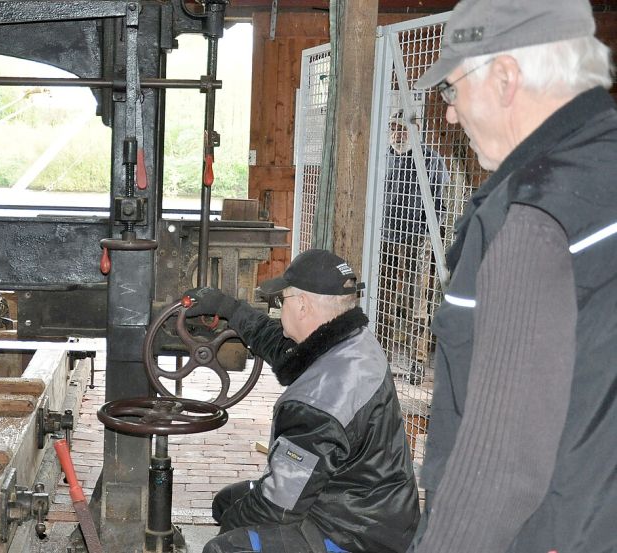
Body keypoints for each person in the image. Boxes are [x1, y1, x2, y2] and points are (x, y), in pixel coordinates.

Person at [407, 1, 617, 551]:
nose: (449, 115)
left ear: (504, 77)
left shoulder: (536, 217)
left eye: (452, 89)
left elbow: (500, 469)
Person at [183, 249, 419, 553]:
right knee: (226, 502)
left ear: (303, 306)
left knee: (225, 546)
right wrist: (228, 308)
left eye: (283, 301)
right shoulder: (351, 342)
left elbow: (278, 507)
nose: (280, 308)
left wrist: (233, 525)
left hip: (355, 534)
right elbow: (284, 350)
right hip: (367, 504)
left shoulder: (319, 402)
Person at [378, 111, 450, 384]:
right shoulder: (383, 157)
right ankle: (381, 355)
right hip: (385, 238)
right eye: (395, 128)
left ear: (418, 132)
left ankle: (417, 362)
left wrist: (425, 232)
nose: (400, 134)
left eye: (406, 129)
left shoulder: (432, 161)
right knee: (383, 298)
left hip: (417, 241)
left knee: (416, 301)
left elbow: (440, 206)